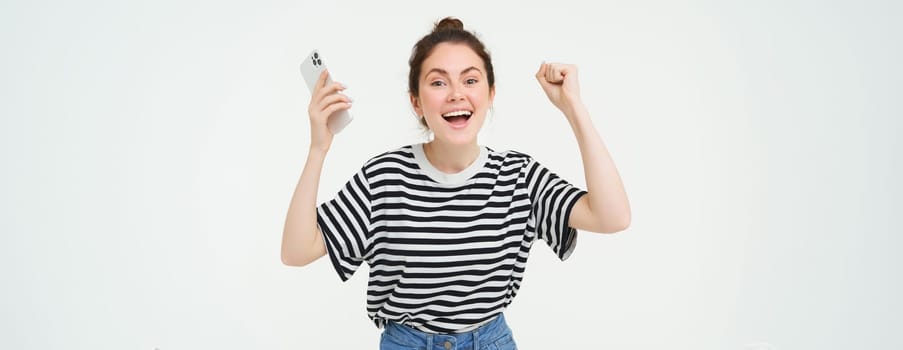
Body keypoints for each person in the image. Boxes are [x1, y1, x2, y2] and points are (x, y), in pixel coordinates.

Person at [282, 17, 631, 350]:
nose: (455, 94)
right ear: (415, 101)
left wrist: (573, 108)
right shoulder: (384, 177)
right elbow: (297, 251)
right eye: (438, 82)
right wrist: (318, 148)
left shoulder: (517, 176)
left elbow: (612, 217)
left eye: (470, 80)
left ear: (491, 93)